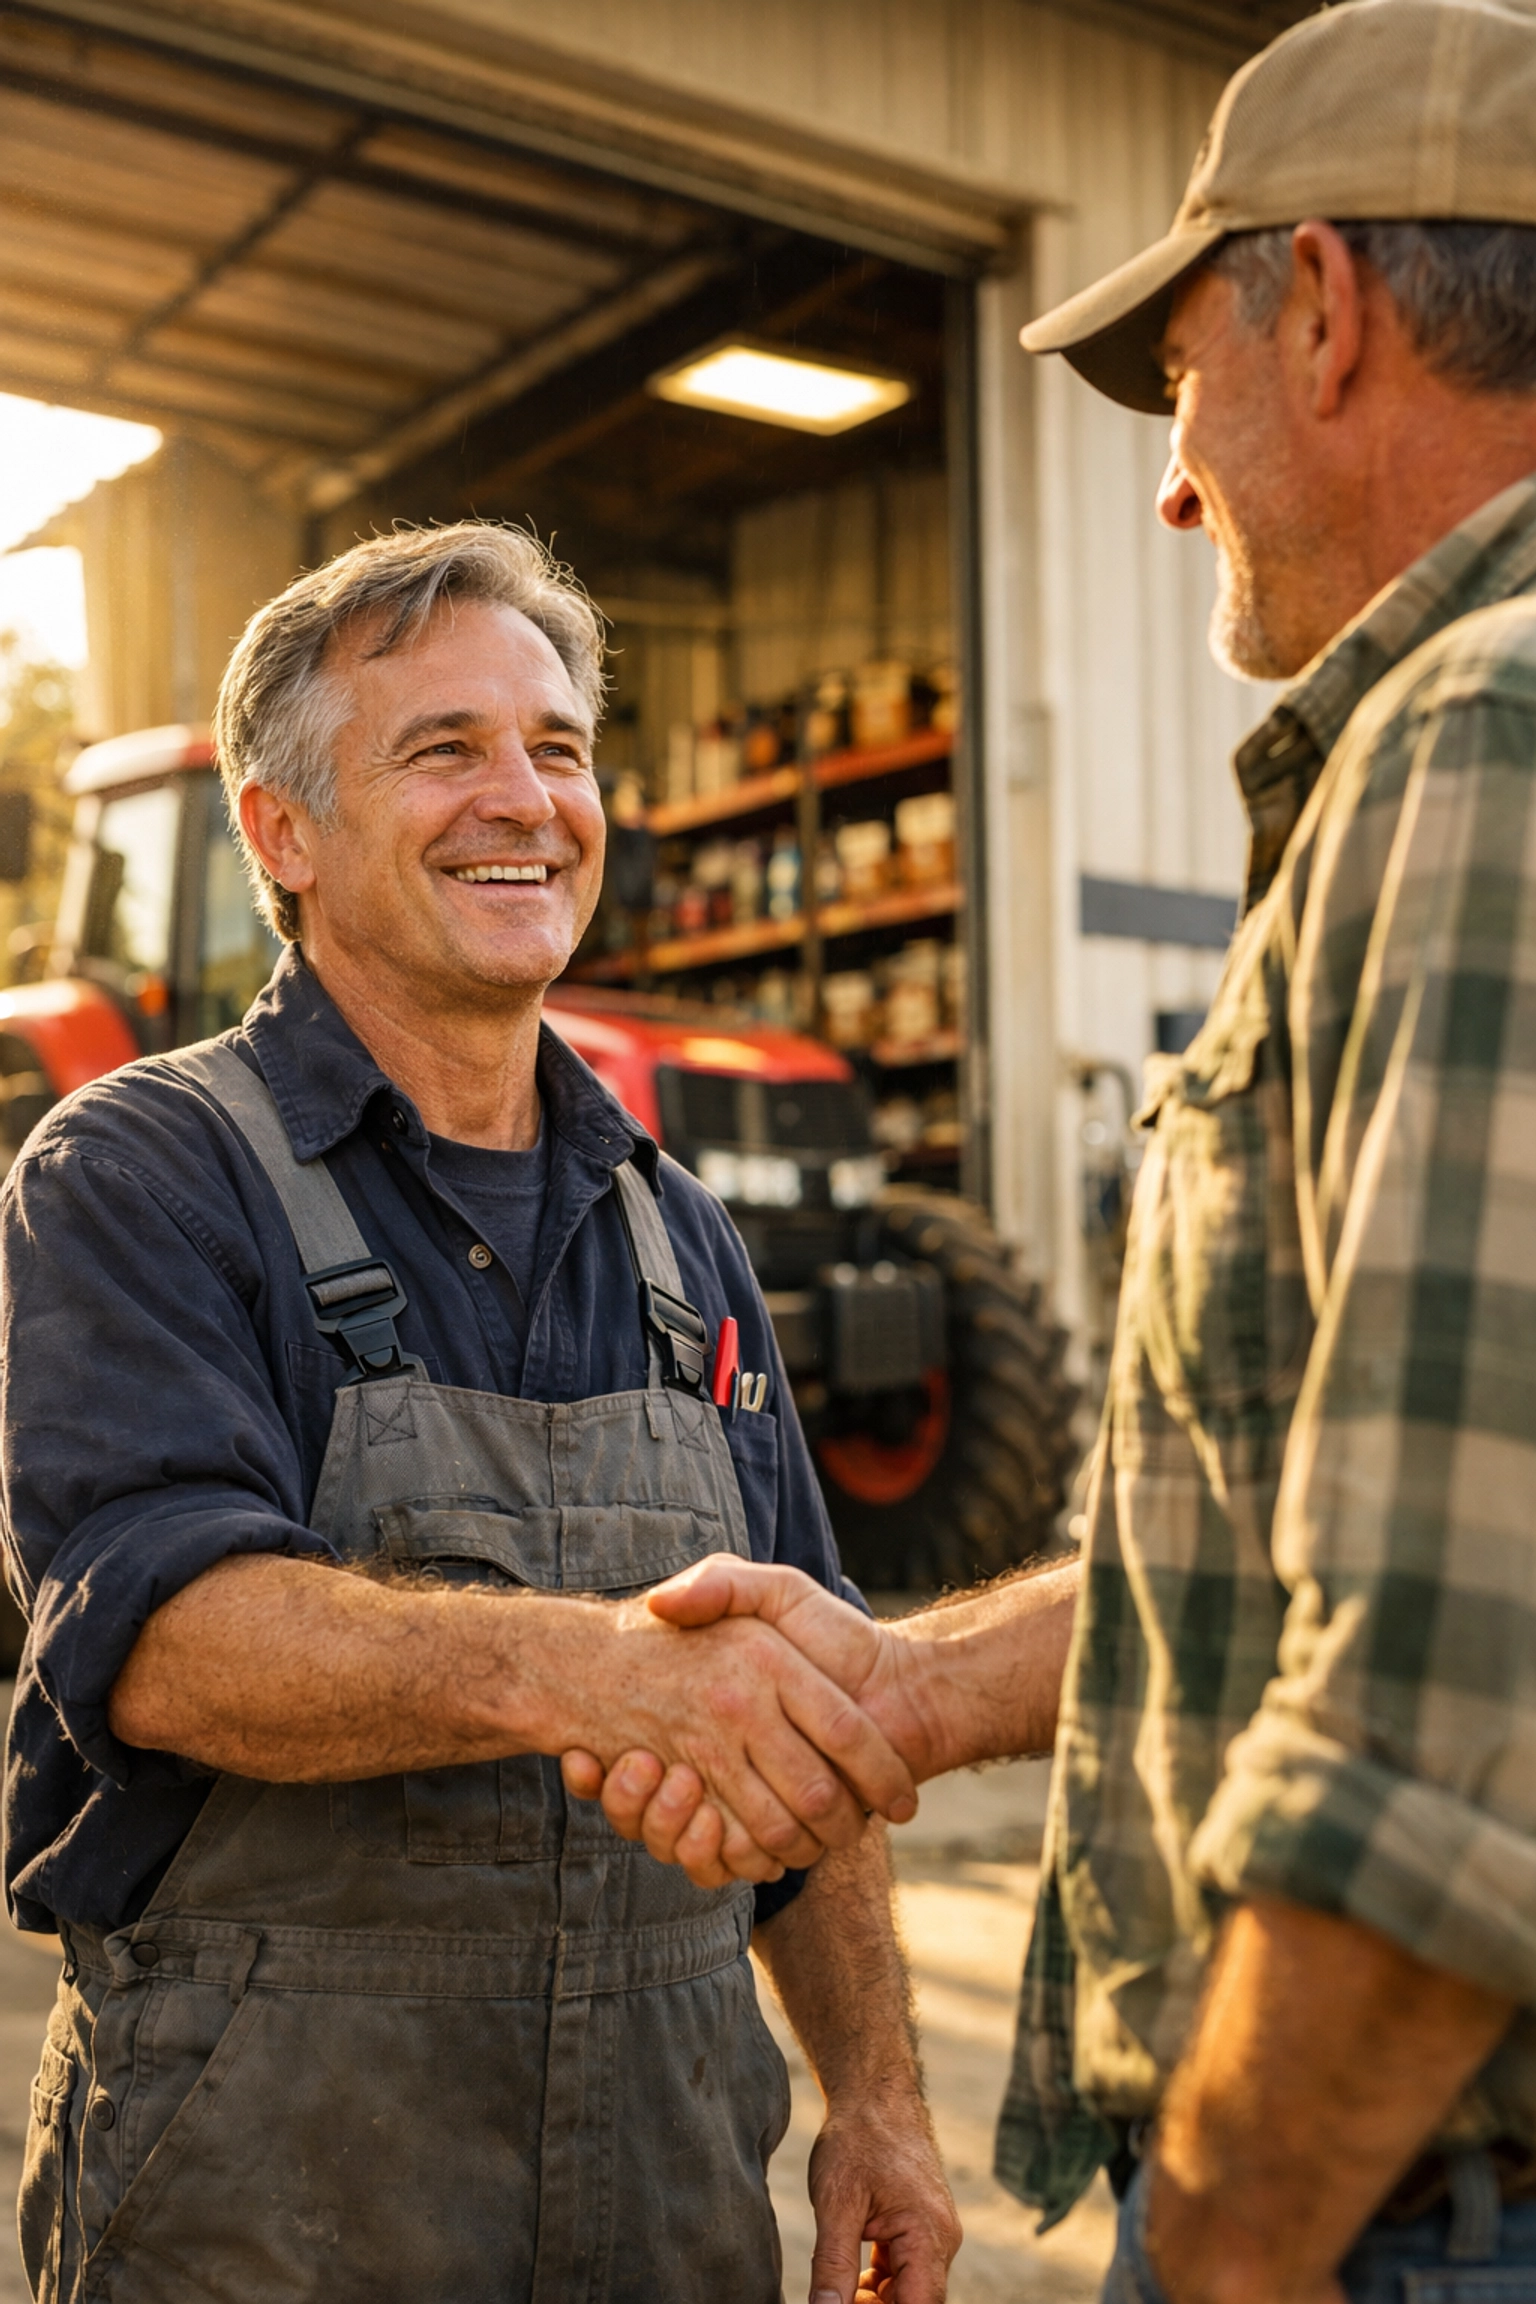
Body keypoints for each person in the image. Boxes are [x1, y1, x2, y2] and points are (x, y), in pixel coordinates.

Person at [566, 2, 1536, 2296]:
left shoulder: (1480, 742)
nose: (1177, 483)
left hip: (1416, 2210)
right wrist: (893, 1688)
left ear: (1324, 309)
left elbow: (1448, 1711)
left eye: (1182, 377)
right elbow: (1333, 1530)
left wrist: (1215, 2245)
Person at [0, 524, 961, 2304]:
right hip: (267, 2225)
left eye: (561, 748)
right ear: (280, 830)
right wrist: (592, 1670)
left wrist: (880, 2102)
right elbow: (162, 1643)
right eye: (443, 748)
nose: (525, 798)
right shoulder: (139, 1173)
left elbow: (809, 1726)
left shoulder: (683, 1235)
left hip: (672, 2215)